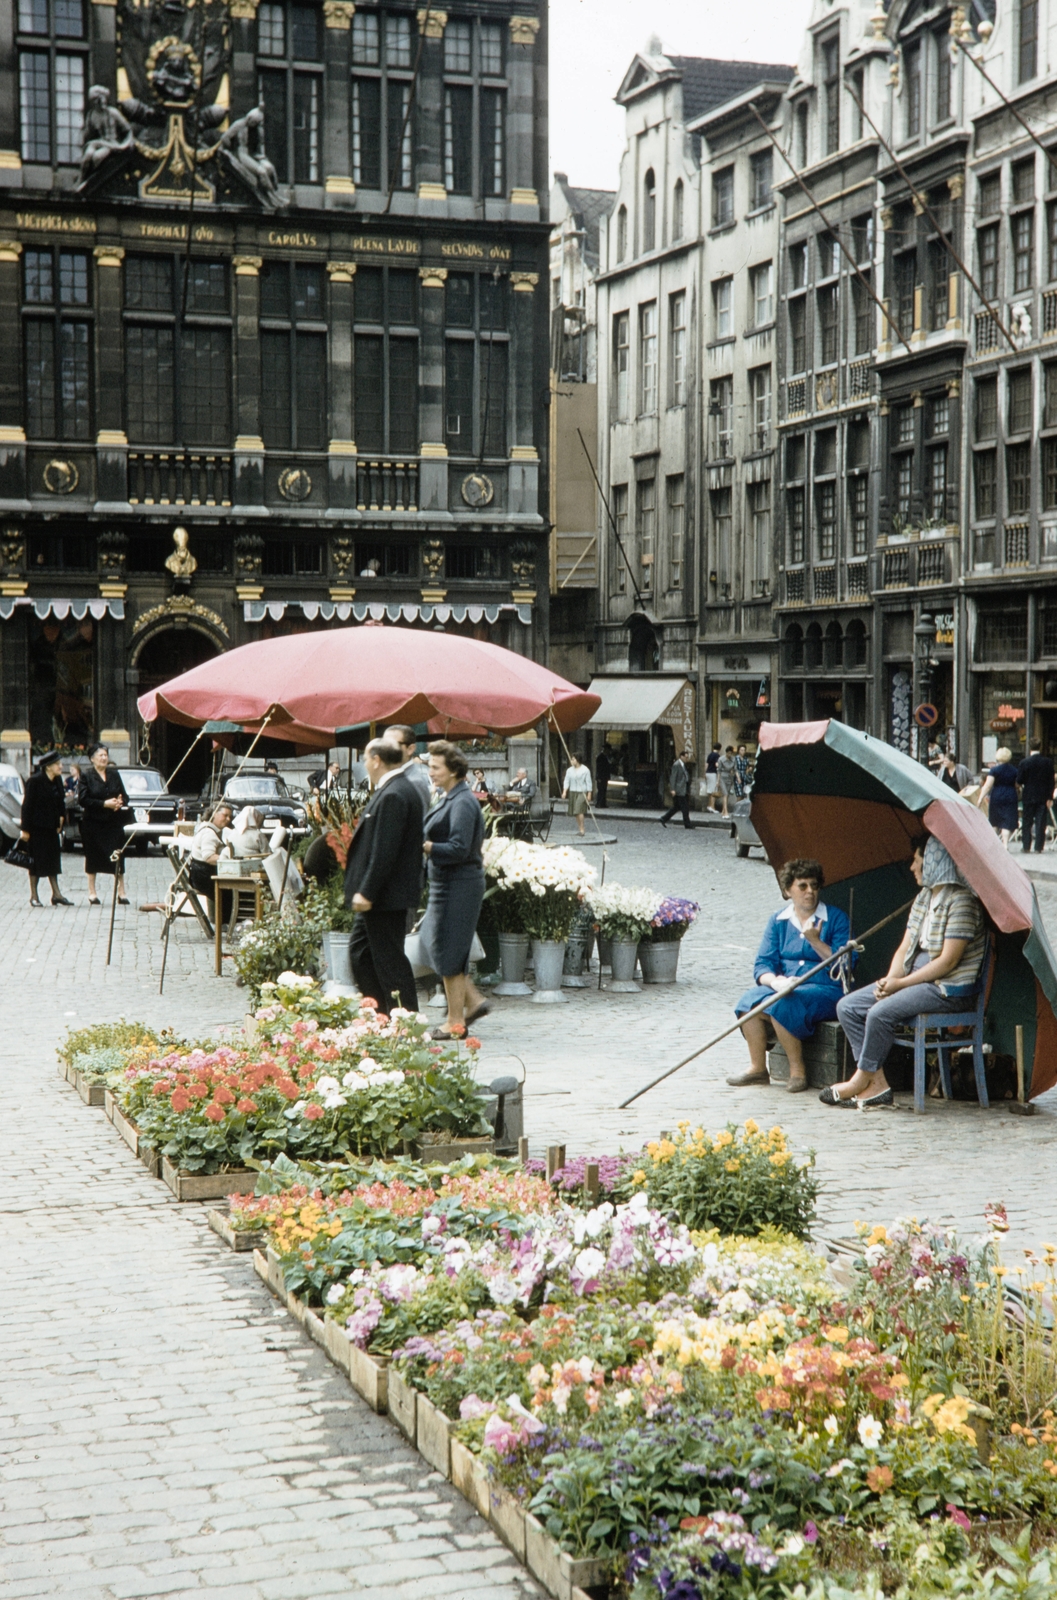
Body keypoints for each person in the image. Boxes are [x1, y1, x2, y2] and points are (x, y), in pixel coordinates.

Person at [825, 838, 986, 1108]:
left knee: (879, 1012)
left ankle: (859, 1080)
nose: (912, 867)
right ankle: (876, 1084)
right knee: (848, 1007)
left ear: (935, 861)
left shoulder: (963, 902)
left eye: (917, 860)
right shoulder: (925, 897)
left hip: (946, 988)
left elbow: (947, 962)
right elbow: (904, 949)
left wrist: (900, 984)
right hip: (914, 980)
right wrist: (890, 980)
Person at [727, 859, 851, 1095]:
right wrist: (775, 981)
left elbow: (845, 964)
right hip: (787, 986)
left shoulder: (835, 918)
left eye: (814, 886)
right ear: (788, 891)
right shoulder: (778, 921)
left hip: (825, 989)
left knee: (782, 1003)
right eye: (802, 886)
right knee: (748, 1002)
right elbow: (763, 963)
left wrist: (815, 941)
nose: (810, 892)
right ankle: (757, 1068)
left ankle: (797, 1071)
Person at [344, 738, 425, 1016]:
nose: (364, 764)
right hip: (384, 895)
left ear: (377, 760)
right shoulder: (394, 789)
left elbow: (384, 851)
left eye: (366, 758)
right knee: (361, 954)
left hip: (385, 896)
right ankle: (379, 1014)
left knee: (390, 961)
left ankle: (406, 1020)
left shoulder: (394, 793)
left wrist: (366, 891)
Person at [420, 740, 489, 1039]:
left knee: (448, 948)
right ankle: (471, 1003)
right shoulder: (451, 796)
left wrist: (427, 847)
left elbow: (460, 848)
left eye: (436, 767)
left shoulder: (462, 802)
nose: (431, 772)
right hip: (447, 884)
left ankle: (456, 1019)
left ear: (453, 770)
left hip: (458, 885)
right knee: (445, 947)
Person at [78, 744, 129, 905]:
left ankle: (121, 892)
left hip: (113, 822)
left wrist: (120, 801)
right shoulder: (86, 775)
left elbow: (124, 795)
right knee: (93, 857)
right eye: (100, 755)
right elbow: (83, 799)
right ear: (92, 759)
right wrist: (104, 804)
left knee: (118, 856)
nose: (104, 758)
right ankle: (92, 892)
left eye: (106, 755)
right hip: (93, 823)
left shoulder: (114, 774)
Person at [19, 750, 71, 907]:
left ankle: (56, 894)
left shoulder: (56, 780)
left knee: (53, 861)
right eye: (58, 764)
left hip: (52, 828)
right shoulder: (35, 781)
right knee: (35, 862)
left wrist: (61, 818)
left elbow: (61, 801)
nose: (61, 767)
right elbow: (27, 806)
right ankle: (34, 896)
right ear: (48, 767)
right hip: (36, 828)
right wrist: (25, 830)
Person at [976, 747, 1020, 848]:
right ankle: (1005, 844)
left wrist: (980, 798)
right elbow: (1017, 784)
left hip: (997, 795)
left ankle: (994, 844)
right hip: (1010, 794)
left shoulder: (994, 770)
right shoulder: (1014, 770)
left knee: (995, 819)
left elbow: (987, 785)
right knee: (1007, 820)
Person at [1017, 743, 1055, 854]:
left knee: (1027, 821)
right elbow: (1051, 781)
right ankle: (1038, 846)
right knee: (1040, 822)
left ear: (1030, 748)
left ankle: (1026, 845)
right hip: (1043, 795)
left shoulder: (1024, 762)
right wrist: (1050, 797)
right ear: (1040, 747)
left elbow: (1019, 780)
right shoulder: (1047, 762)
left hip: (1028, 794)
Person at [386, 725, 434, 806]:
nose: (386, 749)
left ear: (410, 749)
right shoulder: (391, 775)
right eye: (384, 744)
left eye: (393, 744)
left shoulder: (415, 782)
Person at [660, 750, 693, 830]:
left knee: (676, 807)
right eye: (685, 757)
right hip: (679, 789)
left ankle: (664, 818)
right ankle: (687, 824)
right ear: (681, 756)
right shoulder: (676, 765)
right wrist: (673, 789)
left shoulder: (683, 765)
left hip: (683, 789)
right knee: (685, 808)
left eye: (687, 757)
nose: (686, 759)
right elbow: (673, 778)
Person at [562, 752, 593, 837]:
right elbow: (567, 780)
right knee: (575, 812)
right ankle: (580, 829)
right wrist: (565, 791)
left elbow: (588, 782)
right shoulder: (569, 770)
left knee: (579, 809)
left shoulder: (585, 770)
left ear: (577, 760)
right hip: (572, 791)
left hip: (582, 792)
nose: (571, 761)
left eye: (573, 759)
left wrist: (589, 794)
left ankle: (582, 829)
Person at [715, 746, 737, 818]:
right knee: (725, 794)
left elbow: (735, 769)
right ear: (726, 753)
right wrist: (718, 781)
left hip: (729, 777)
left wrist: (734, 774)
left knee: (727, 795)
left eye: (731, 753)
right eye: (728, 753)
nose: (729, 755)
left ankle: (723, 811)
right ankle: (726, 812)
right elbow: (719, 770)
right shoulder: (721, 759)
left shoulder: (733, 759)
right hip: (722, 777)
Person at [704, 743, 721, 811]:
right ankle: (712, 807)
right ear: (720, 748)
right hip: (713, 773)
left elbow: (706, 764)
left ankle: (709, 805)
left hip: (708, 773)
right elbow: (716, 764)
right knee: (714, 791)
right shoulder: (717, 755)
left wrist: (705, 773)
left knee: (709, 790)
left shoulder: (710, 754)